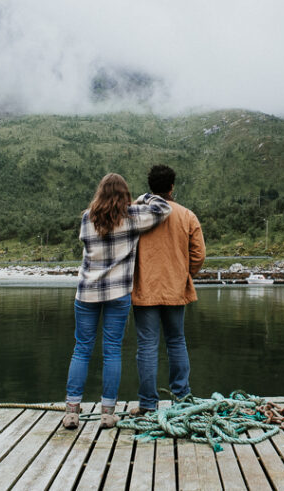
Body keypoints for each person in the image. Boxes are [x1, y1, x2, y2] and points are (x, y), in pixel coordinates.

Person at [62, 173, 171, 430]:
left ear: (100, 193)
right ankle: (108, 414)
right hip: (117, 293)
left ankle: (71, 413)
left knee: (81, 349)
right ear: (124, 195)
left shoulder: (87, 218)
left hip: (87, 293)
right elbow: (163, 208)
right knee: (112, 350)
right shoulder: (132, 217)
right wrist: (144, 197)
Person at [130, 164, 205, 415]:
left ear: (151, 187)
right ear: (172, 186)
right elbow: (199, 254)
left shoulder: (137, 213)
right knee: (176, 341)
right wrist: (184, 275)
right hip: (175, 288)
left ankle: (148, 404)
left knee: (147, 346)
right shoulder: (187, 215)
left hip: (144, 289)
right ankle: (182, 398)